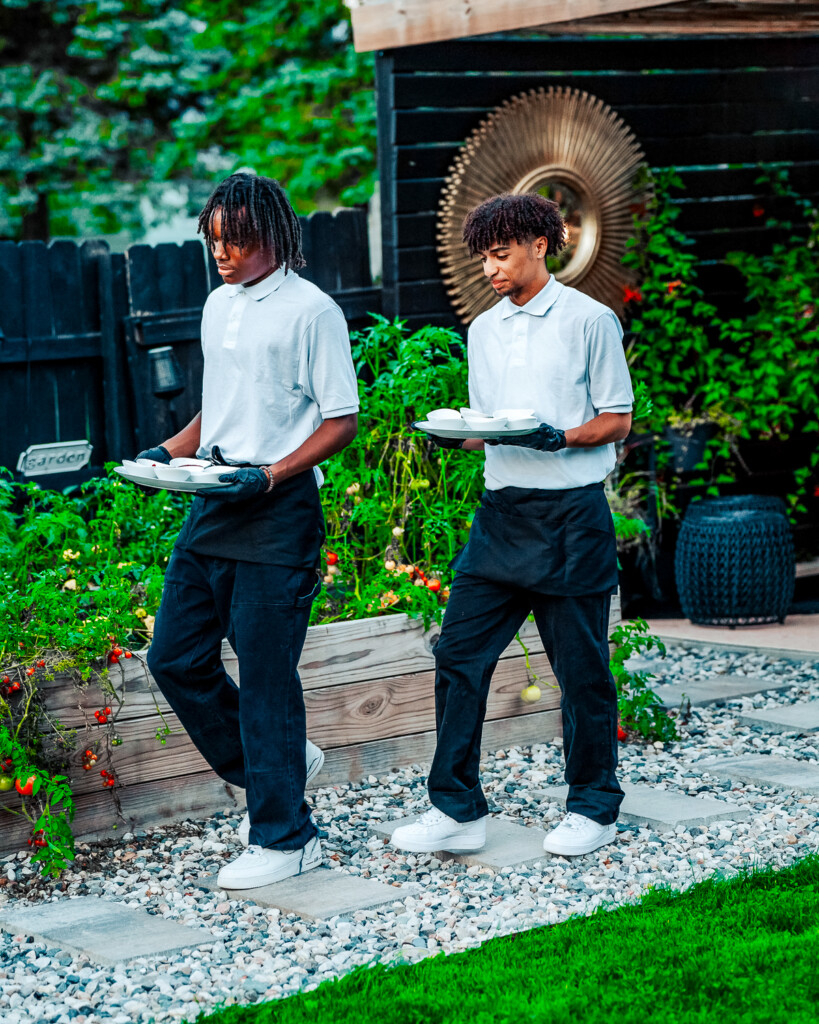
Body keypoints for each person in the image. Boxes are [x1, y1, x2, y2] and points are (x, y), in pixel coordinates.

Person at [392, 192, 633, 859]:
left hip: (571, 518)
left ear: (539, 244)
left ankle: (592, 805)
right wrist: (455, 436)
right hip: (502, 517)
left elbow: (616, 419)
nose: (491, 270)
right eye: (484, 259)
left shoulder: (589, 321)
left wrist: (560, 438)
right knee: (458, 656)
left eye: (500, 255)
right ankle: (456, 808)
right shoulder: (484, 330)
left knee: (580, 672)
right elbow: (491, 426)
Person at [138, 173, 359, 889]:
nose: (222, 254)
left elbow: (341, 421)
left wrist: (270, 475)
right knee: (173, 656)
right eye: (214, 241)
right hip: (212, 503)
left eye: (234, 241)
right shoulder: (217, 304)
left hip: (277, 512)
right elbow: (219, 408)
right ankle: (280, 769)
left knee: (265, 680)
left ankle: (285, 837)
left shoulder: (311, 312)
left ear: (271, 234)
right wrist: (166, 452)